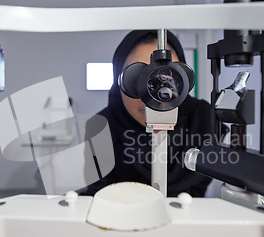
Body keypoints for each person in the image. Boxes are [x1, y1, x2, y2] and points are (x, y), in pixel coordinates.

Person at [82, 30, 215, 197]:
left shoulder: (203, 120)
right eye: (139, 80)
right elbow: (98, 195)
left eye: (166, 79)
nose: (151, 98)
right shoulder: (100, 127)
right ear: (120, 81)